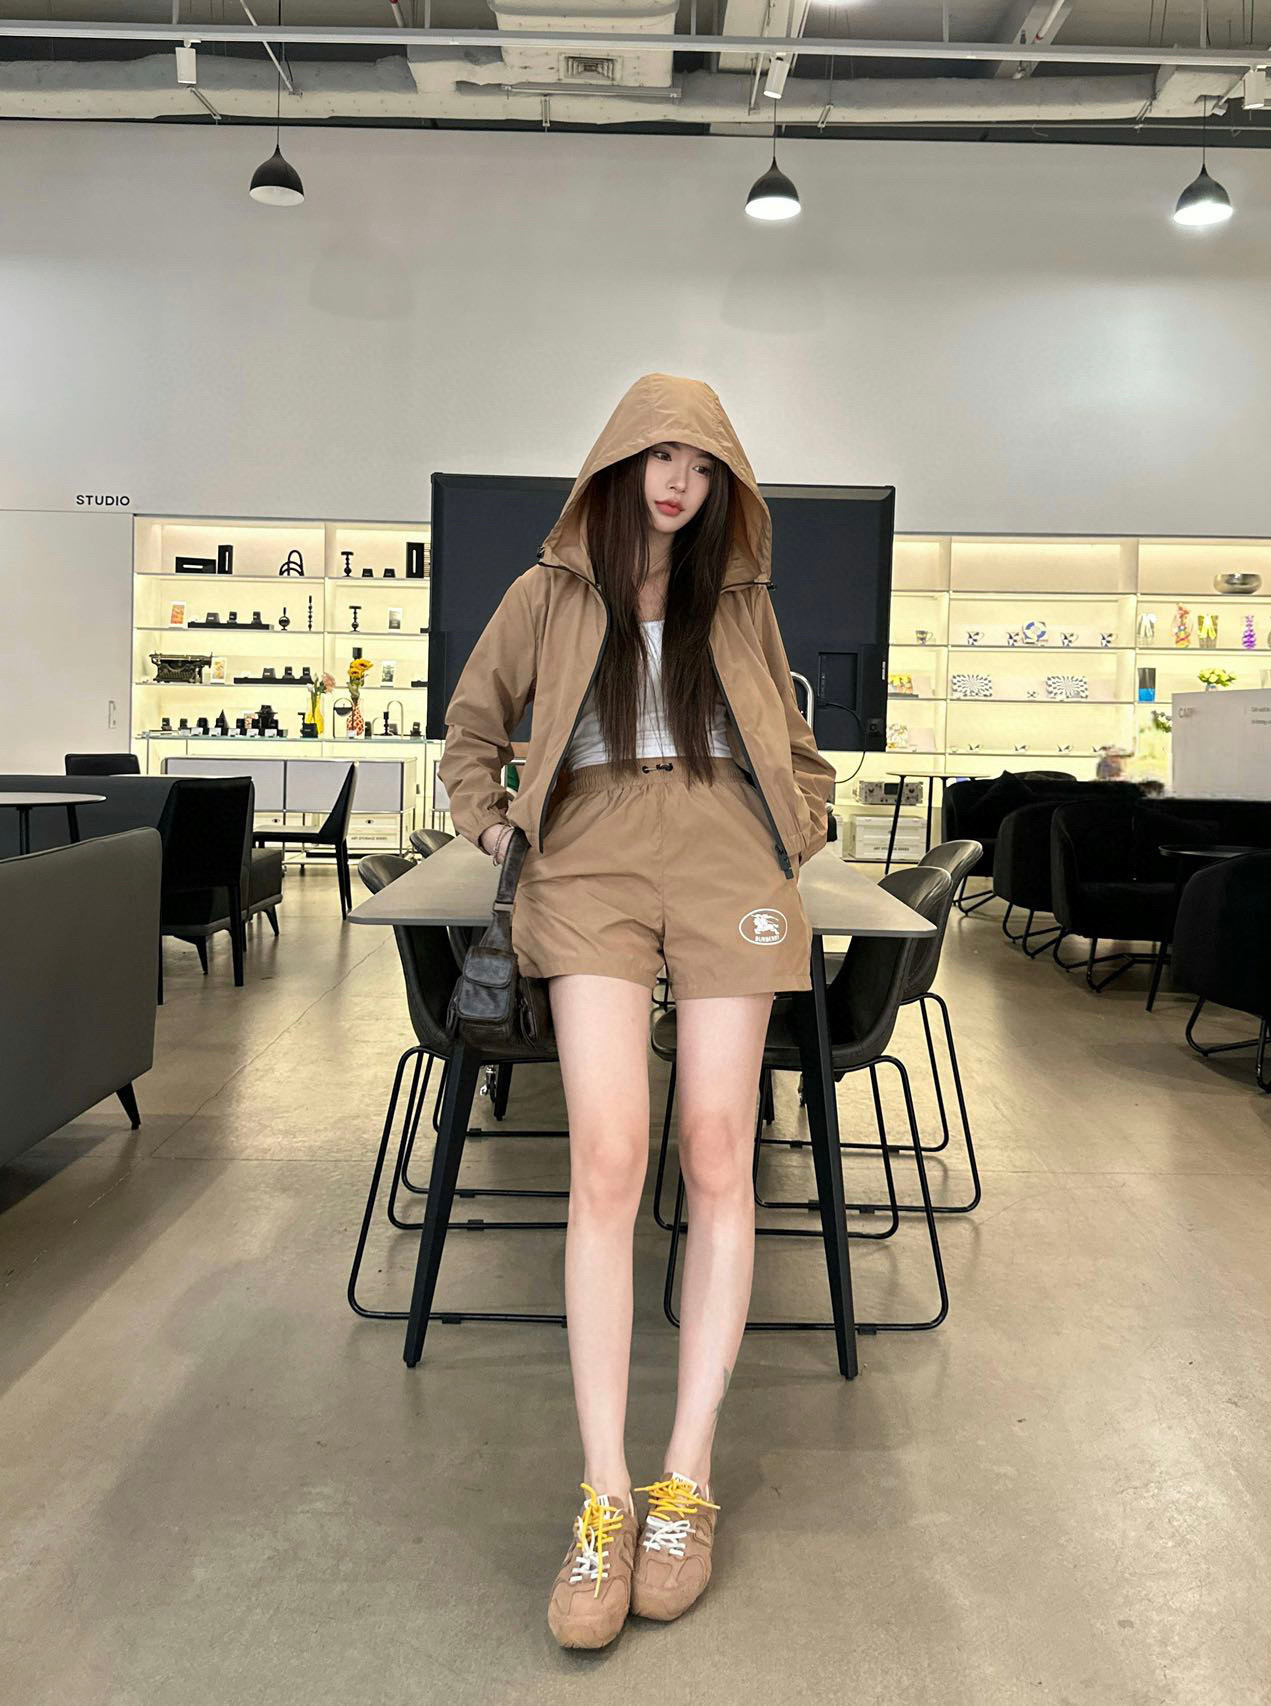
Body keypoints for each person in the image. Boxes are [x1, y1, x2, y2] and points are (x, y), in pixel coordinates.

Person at [438, 372, 837, 1649]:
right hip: (589, 851)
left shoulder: (740, 597)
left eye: (703, 463)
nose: (679, 481)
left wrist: (797, 824)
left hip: (727, 846)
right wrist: (494, 825)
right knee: (606, 1155)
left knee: (716, 1148)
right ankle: (603, 1493)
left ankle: (686, 1478)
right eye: (661, 455)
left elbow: (794, 744)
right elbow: (471, 725)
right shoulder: (547, 590)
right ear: (619, 461)